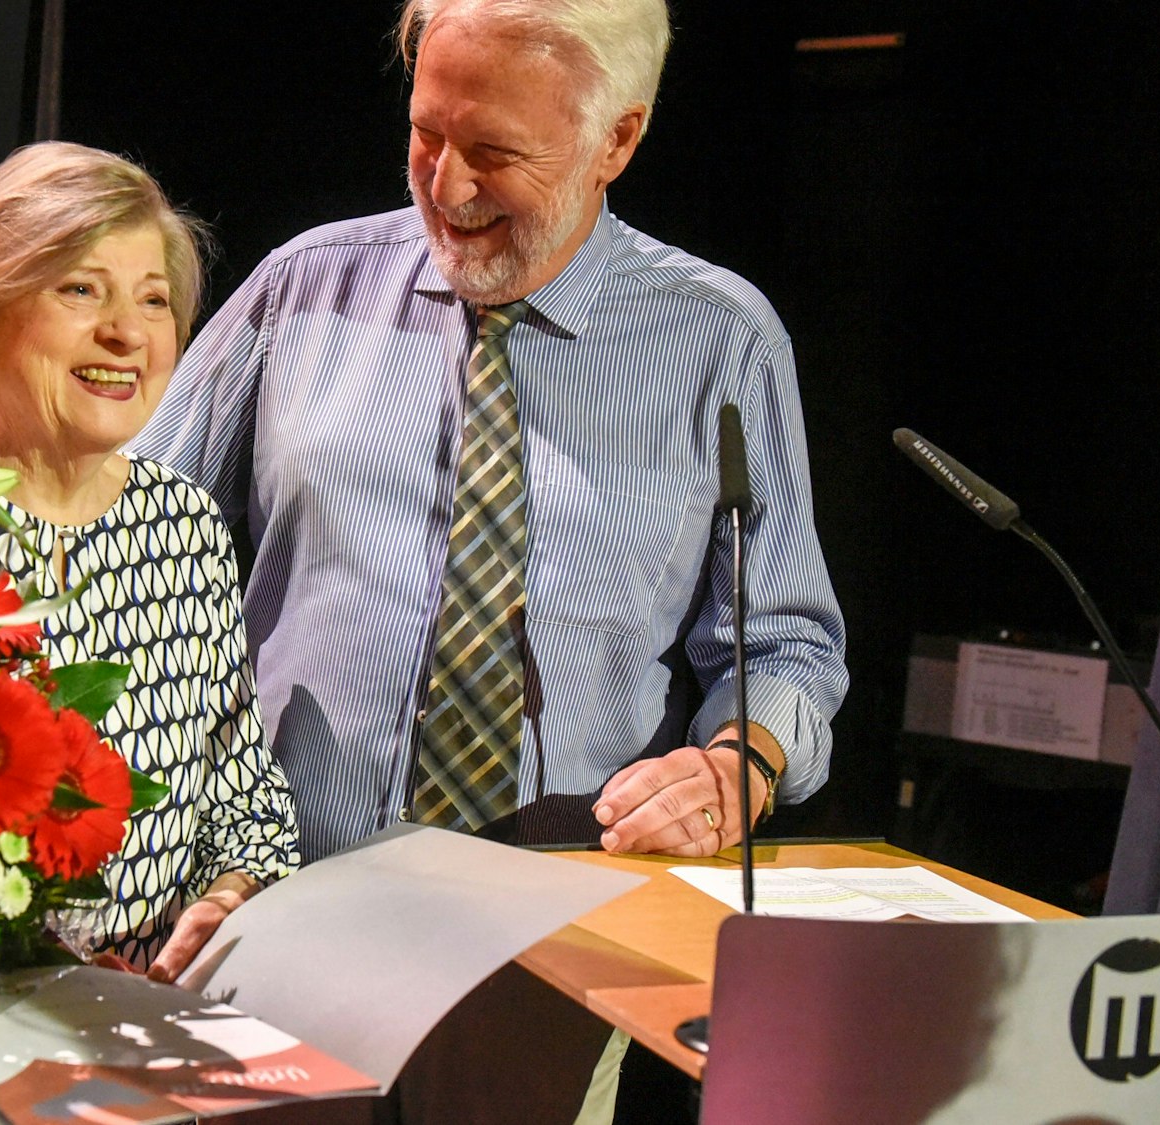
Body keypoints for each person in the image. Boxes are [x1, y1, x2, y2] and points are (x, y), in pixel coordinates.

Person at [131, 3, 847, 1119]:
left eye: (497, 152)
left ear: (616, 139)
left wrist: (734, 768)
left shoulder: (721, 340)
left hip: (552, 953)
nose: (447, 185)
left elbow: (784, 642)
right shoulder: (303, 290)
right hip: (270, 907)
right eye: (427, 134)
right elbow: (121, 546)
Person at [0, 141, 300, 989]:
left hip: (127, 1032)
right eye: (82, 289)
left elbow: (242, 800)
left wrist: (231, 892)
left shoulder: (184, 528)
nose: (127, 332)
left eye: (153, 300)